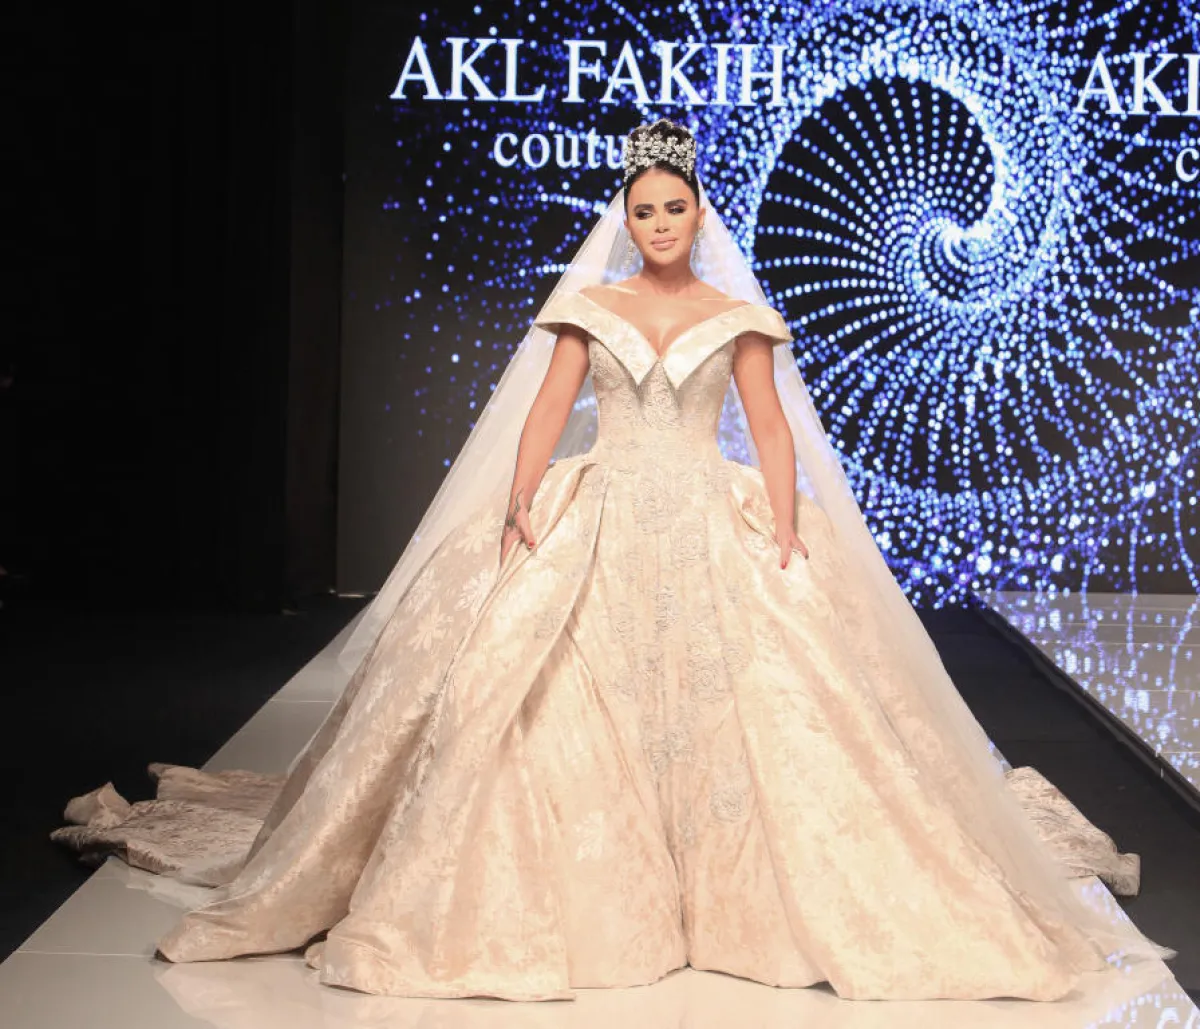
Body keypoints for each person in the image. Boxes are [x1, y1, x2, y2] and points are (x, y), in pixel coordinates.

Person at [54, 118, 1175, 1002]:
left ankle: (736, 900)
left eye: (674, 207)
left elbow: (770, 426)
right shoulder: (589, 304)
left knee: (760, 699)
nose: (659, 223)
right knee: (531, 689)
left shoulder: (738, 315)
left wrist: (787, 525)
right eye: (643, 209)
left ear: (699, 211)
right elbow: (549, 407)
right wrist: (520, 498)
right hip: (602, 509)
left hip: (708, 512)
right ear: (626, 216)